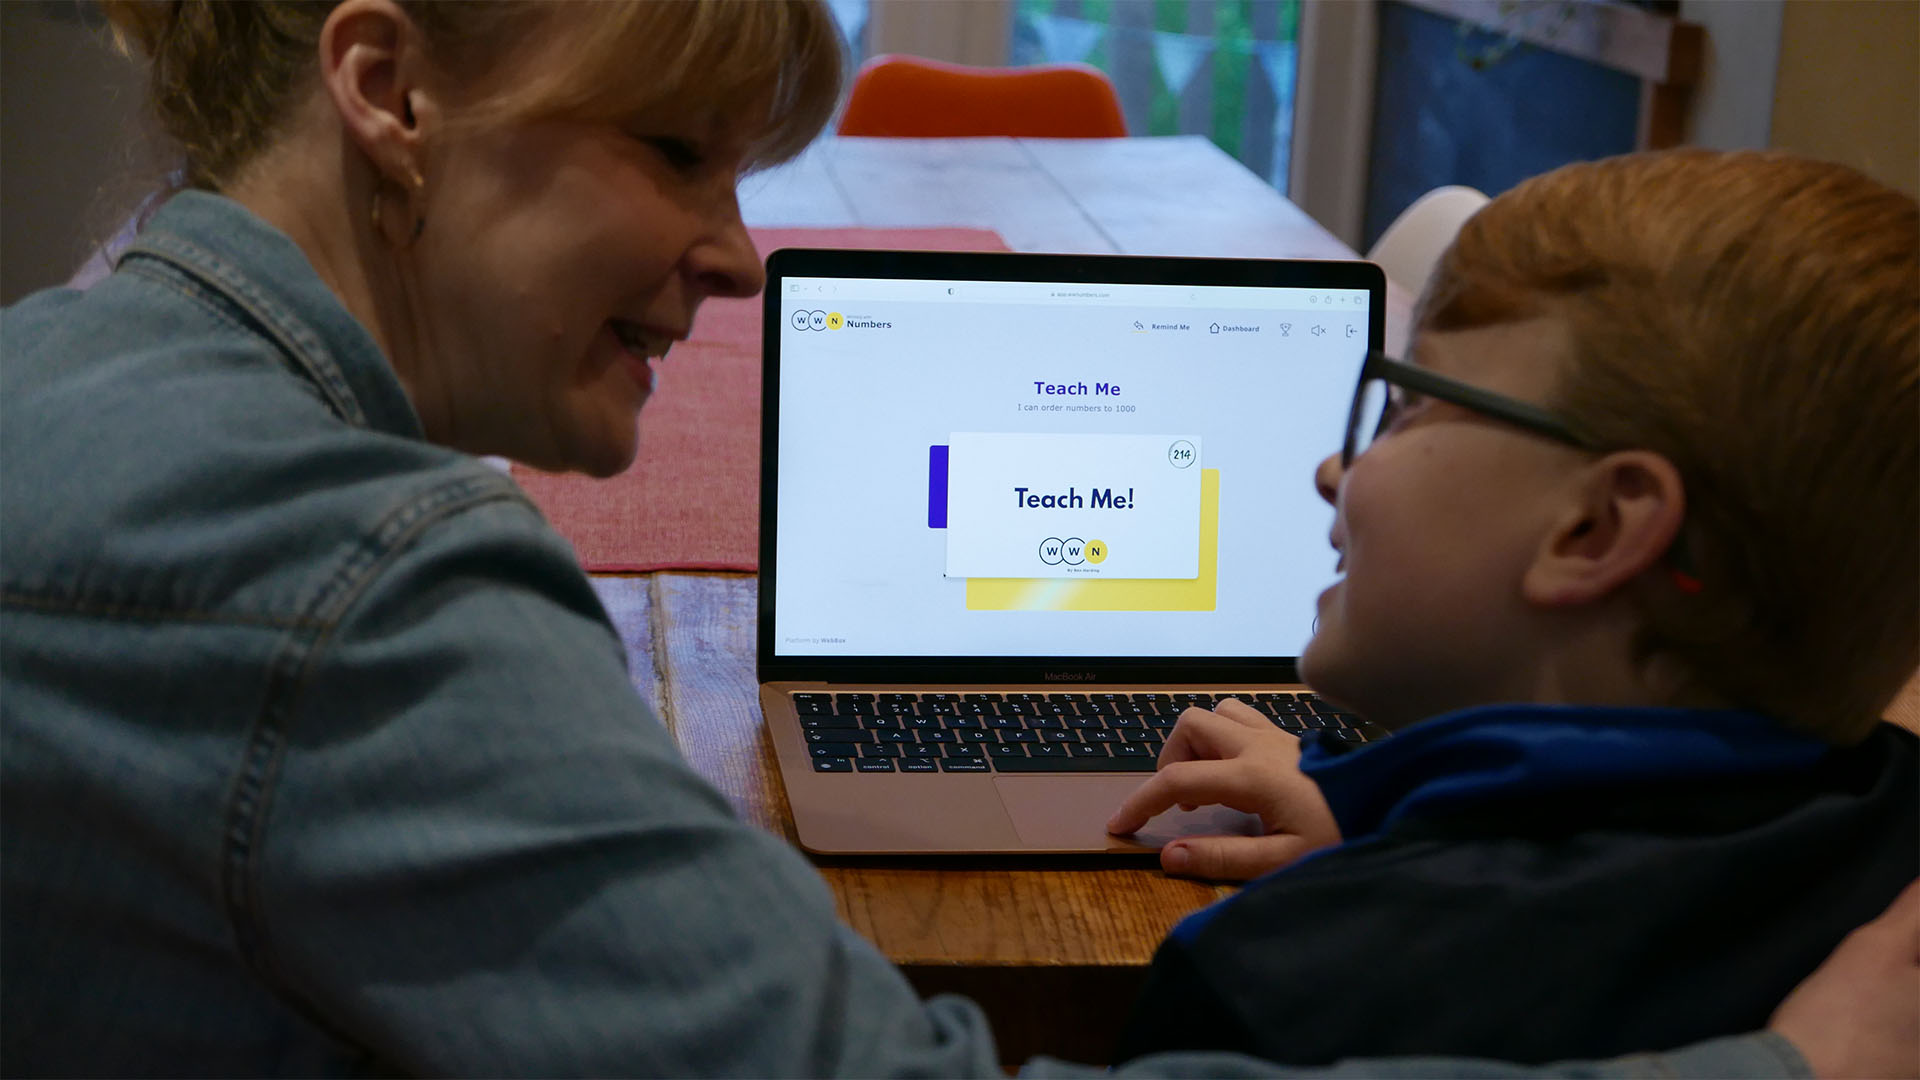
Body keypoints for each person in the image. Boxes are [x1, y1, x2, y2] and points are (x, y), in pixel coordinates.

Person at [0, 1, 1906, 1074]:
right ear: (386, 87)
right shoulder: (359, 589)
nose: (742, 253)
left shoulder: (77, 363)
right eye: (673, 155)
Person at [1105, 150, 1918, 1068]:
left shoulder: (1274, 990)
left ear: (1595, 530)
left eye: (1407, 411)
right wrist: (1390, 816)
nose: (1335, 470)